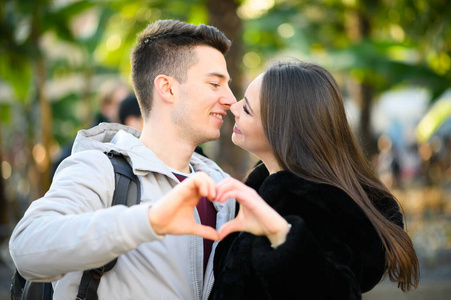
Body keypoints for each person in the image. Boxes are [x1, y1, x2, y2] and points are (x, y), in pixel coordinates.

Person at [9, 19, 237, 299]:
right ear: (167, 88)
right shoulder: (99, 168)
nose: (230, 99)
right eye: (215, 84)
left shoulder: (223, 190)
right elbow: (27, 247)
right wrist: (148, 222)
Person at [209, 59, 419, 299]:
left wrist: (283, 238)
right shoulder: (265, 190)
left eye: (247, 108)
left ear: (281, 130)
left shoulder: (312, 210)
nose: (233, 108)